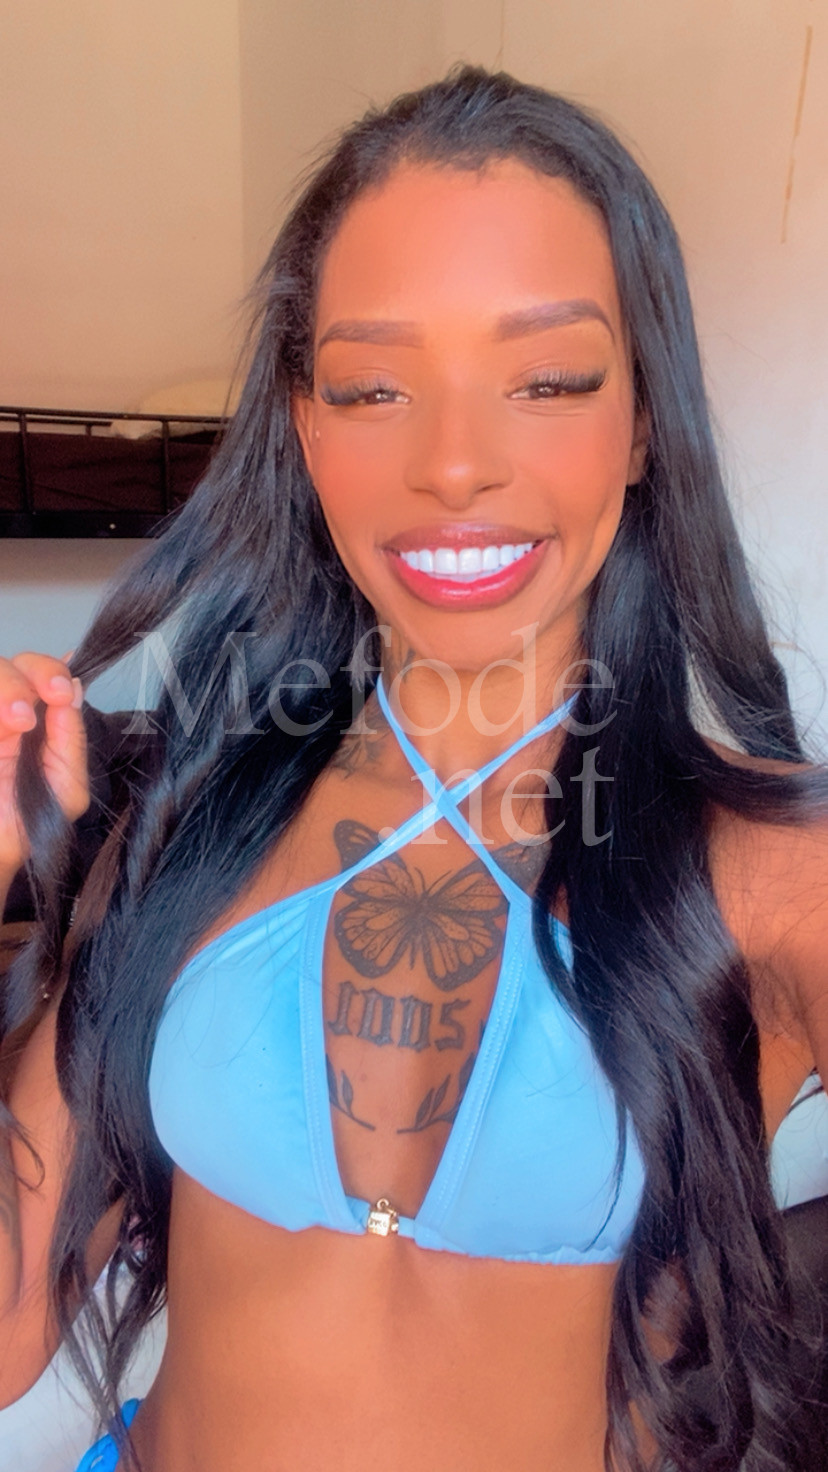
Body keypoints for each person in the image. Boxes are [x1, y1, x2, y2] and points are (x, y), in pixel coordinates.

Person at [1, 65, 827, 1472]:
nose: (452, 465)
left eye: (548, 379)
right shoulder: (190, 821)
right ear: (305, 424)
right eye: (373, 386)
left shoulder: (770, 877)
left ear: (642, 421)